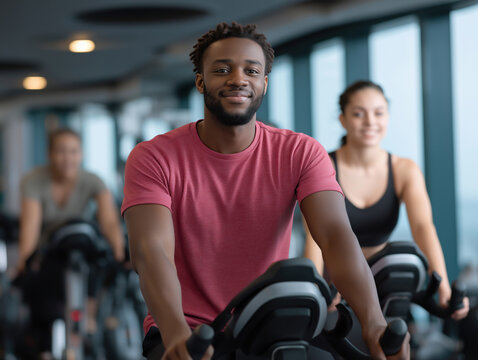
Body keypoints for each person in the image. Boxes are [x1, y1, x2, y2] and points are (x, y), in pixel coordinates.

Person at [122, 22, 409, 360]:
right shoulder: (153, 156)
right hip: (189, 330)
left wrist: (374, 321)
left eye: (251, 70)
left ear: (264, 83)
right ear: (200, 80)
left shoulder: (300, 152)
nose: (238, 78)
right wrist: (175, 335)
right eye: (222, 69)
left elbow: (334, 235)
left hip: (272, 320)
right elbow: (151, 251)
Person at [302, 80, 469, 320]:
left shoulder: (404, 170)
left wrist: (442, 285)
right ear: (343, 119)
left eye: (379, 113)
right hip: (335, 284)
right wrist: (316, 290)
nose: (370, 122)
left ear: (387, 116)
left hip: (387, 284)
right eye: (359, 114)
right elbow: (314, 238)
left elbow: (423, 228)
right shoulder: (323, 167)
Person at [17, 128, 125, 358]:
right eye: (61, 152)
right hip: (51, 249)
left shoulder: (93, 180)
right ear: (49, 154)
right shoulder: (34, 181)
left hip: (82, 246)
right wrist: (25, 263)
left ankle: (91, 315)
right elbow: (30, 229)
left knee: (101, 258)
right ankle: (45, 345)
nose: (68, 158)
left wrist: (118, 253)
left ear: (81, 154)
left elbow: (109, 223)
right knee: (38, 290)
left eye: (73, 151)